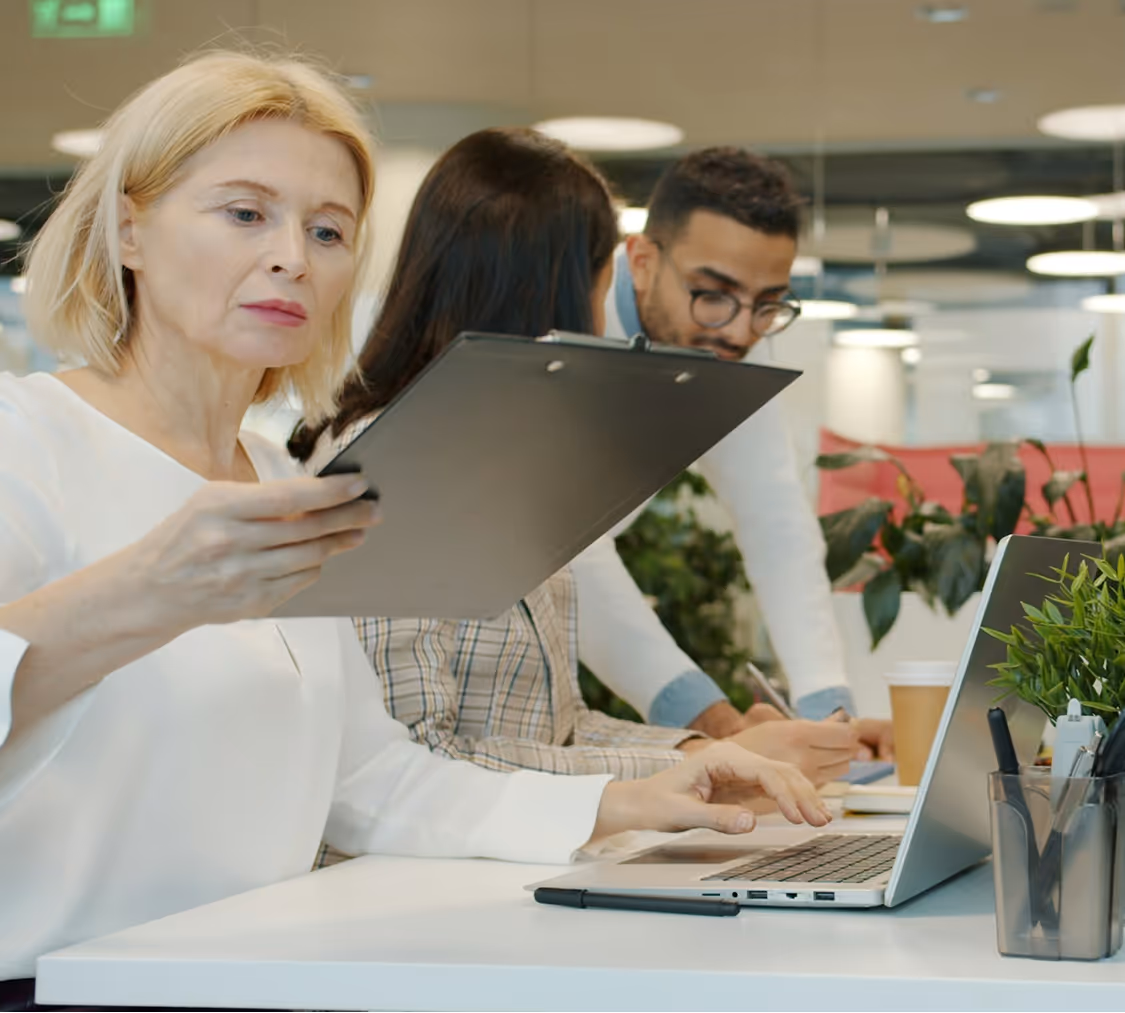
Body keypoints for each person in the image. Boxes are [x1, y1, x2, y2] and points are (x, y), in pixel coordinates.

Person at [0, 54, 830, 995]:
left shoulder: (276, 477)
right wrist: (146, 593)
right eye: (244, 213)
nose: (291, 257)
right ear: (128, 228)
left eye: (328, 230)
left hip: (251, 975)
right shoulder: (26, 442)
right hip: (59, 985)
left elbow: (371, 782)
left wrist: (625, 795)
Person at [290, 128, 857, 804]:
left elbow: (557, 727)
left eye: (764, 307)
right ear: (560, 291)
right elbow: (413, 763)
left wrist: (717, 753)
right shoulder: (393, 471)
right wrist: (704, 760)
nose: (738, 330)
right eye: (598, 279)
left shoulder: (516, 461)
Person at [571, 148, 896, 758]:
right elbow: (563, 553)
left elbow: (776, 524)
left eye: (768, 303)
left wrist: (827, 717)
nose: (742, 332)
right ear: (641, 261)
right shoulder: (562, 317)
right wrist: (715, 720)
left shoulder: (732, 335)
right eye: (712, 294)